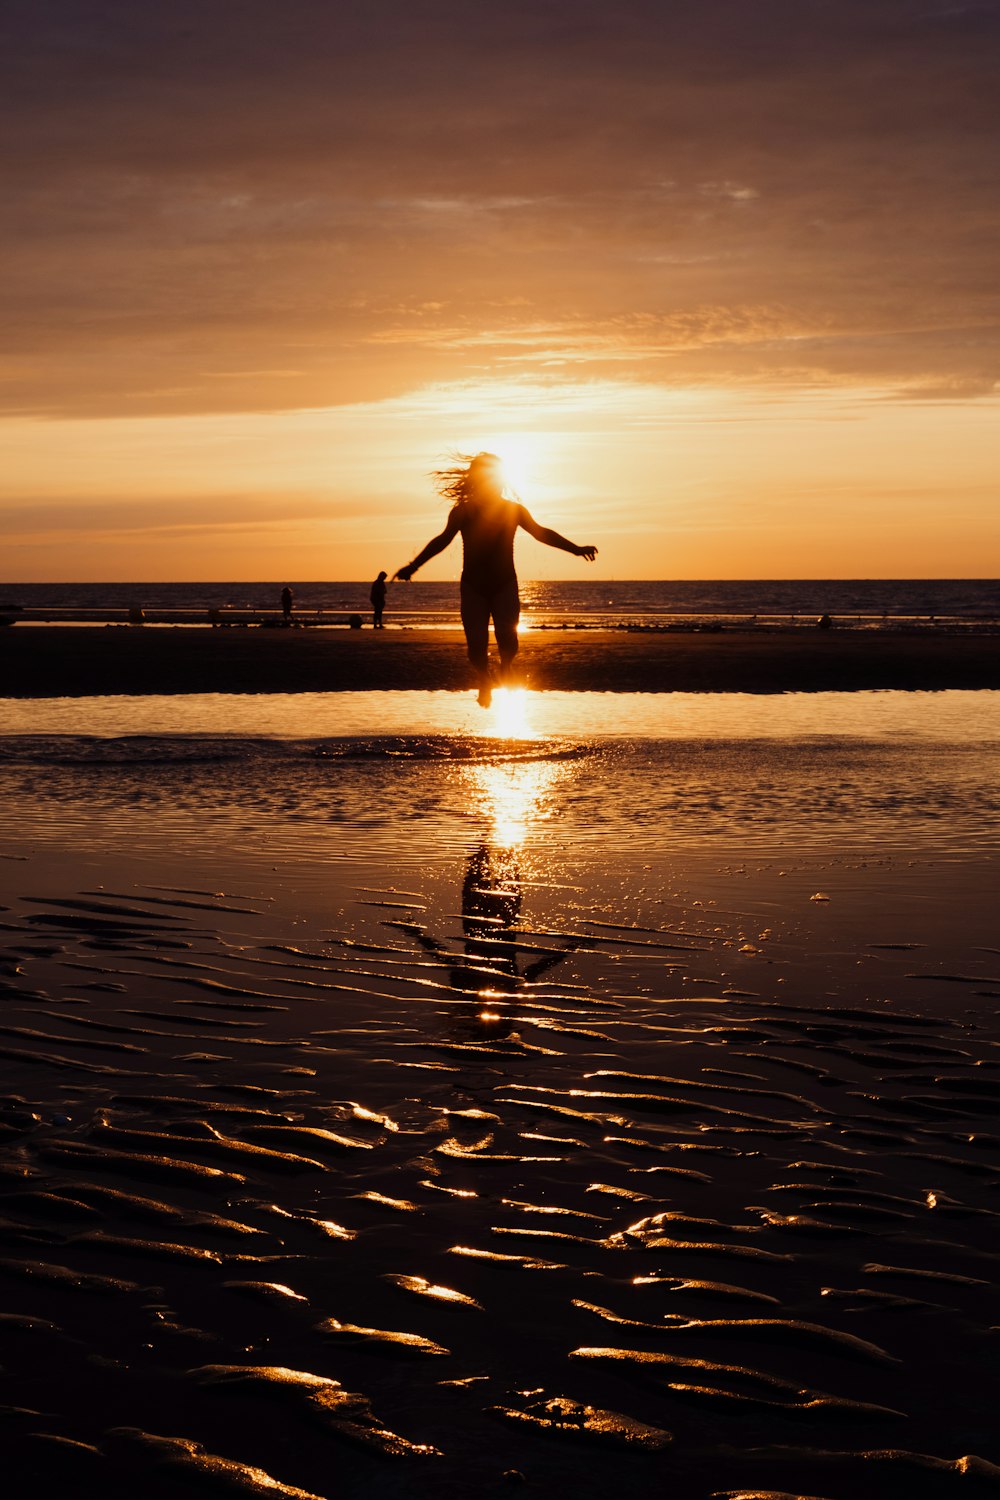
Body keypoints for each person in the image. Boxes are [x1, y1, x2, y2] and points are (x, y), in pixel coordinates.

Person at [393, 452, 597, 706]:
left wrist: (575, 549)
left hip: (505, 584)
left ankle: (506, 666)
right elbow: (442, 540)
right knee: (475, 648)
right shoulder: (463, 512)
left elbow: (541, 533)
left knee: (508, 638)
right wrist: (414, 566)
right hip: (473, 587)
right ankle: (483, 678)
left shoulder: (513, 510)